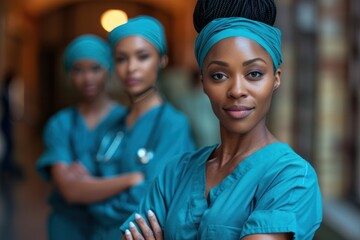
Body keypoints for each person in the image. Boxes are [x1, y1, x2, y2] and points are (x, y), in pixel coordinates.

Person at [119, 0, 323, 239]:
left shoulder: (291, 178)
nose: (237, 90)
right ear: (203, 82)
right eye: (219, 75)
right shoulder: (175, 173)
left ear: (276, 79)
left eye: (254, 74)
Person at [87, 16, 196, 240]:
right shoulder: (111, 123)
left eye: (143, 56)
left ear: (162, 60)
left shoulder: (173, 125)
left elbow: (151, 202)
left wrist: (94, 197)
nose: (131, 68)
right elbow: (82, 180)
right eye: (121, 59)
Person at [36, 34, 144, 240]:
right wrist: (128, 179)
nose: (88, 78)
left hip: (112, 227)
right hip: (67, 227)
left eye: (96, 68)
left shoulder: (127, 120)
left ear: (109, 71)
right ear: (68, 74)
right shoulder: (60, 124)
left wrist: (86, 183)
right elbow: (70, 191)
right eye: (78, 70)